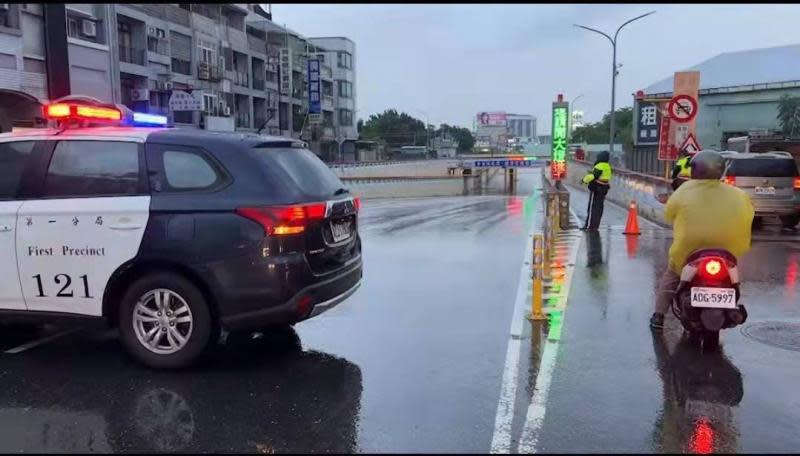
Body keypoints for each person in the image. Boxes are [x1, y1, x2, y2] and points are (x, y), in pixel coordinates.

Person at [650, 150, 754, 329]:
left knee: (672, 276)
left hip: (689, 251)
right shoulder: (738, 194)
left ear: (695, 170)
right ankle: (732, 305)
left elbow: (668, 214)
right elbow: (751, 214)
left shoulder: (684, 190)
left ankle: (659, 316)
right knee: (732, 278)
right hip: (728, 252)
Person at [581, 151, 612, 231]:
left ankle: (589, 226)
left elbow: (593, 176)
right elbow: (602, 175)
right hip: (604, 188)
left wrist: (584, 180)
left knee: (592, 207)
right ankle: (595, 225)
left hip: (596, 188)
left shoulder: (599, 165)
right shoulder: (607, 166)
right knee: (599, 207)